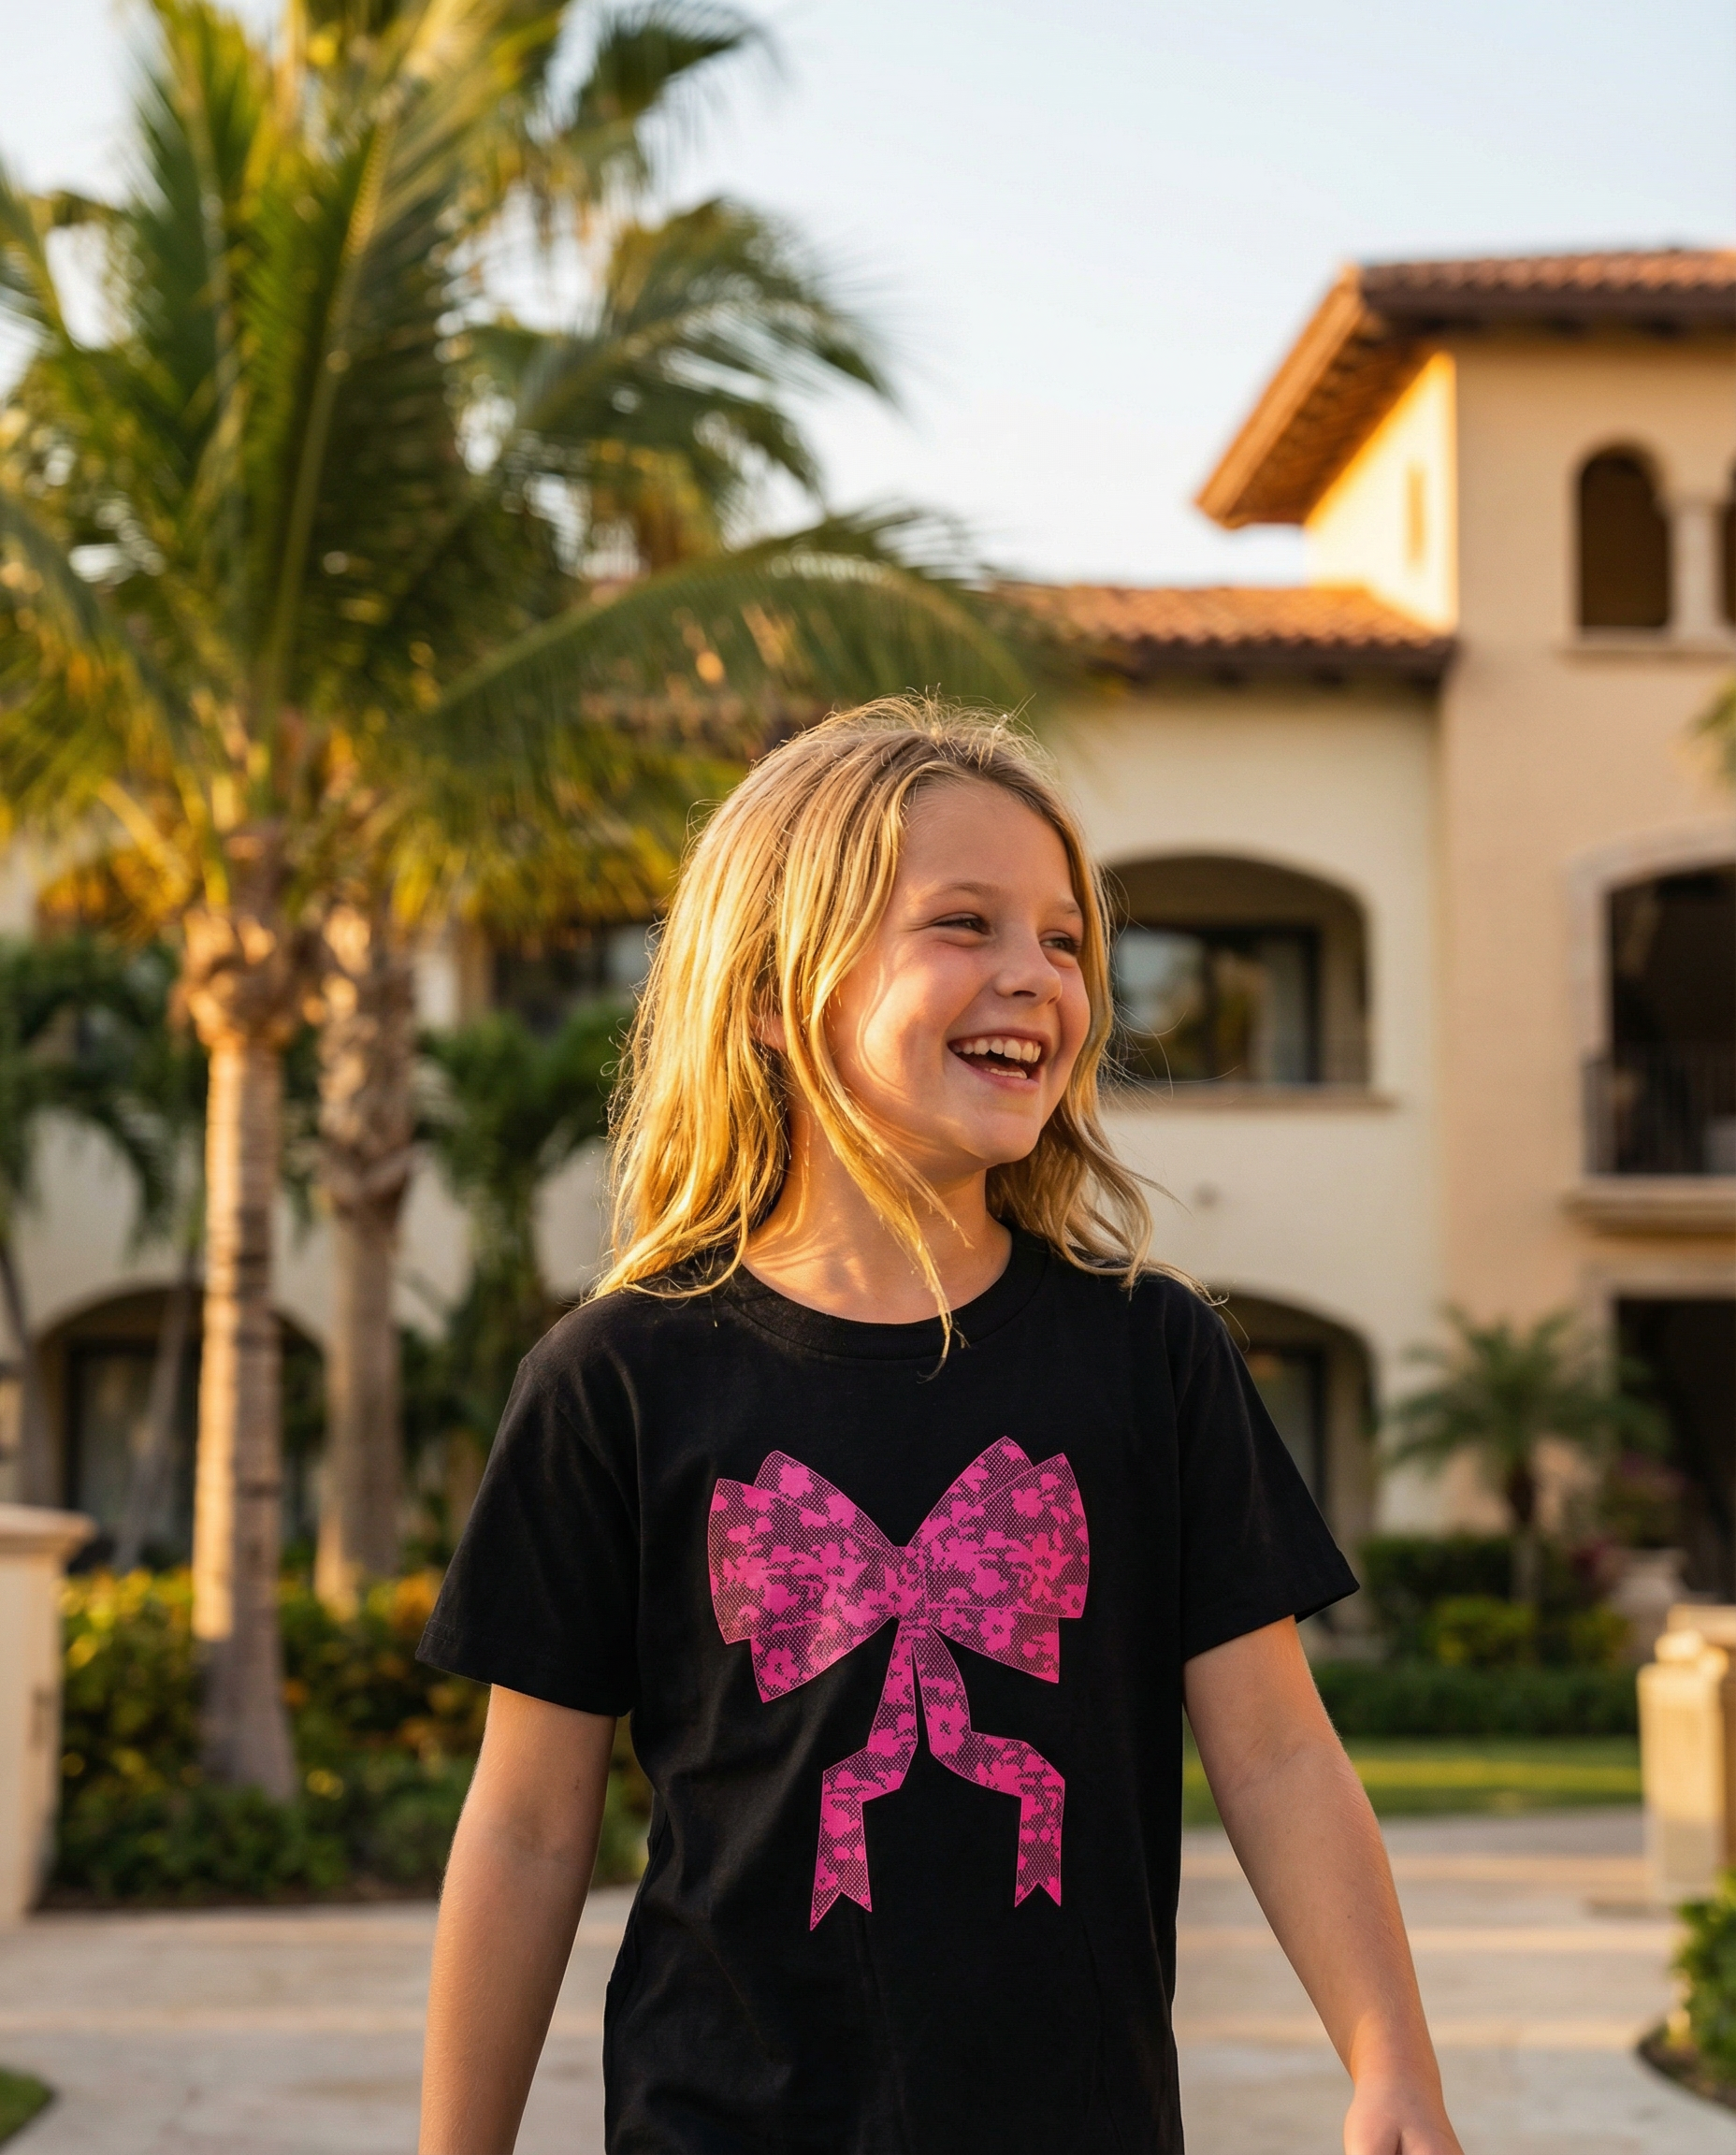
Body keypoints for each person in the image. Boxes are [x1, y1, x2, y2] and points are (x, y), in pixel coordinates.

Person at [416, 699, 1464, 2155]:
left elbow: (1281, 1754)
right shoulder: (616, 1378)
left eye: (1066, 939)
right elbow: (529, 1828)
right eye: (963, 924)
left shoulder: (1154, 1356)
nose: (1033, 976)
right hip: (719, 2125)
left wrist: (1390, 2061)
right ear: (781, 993)